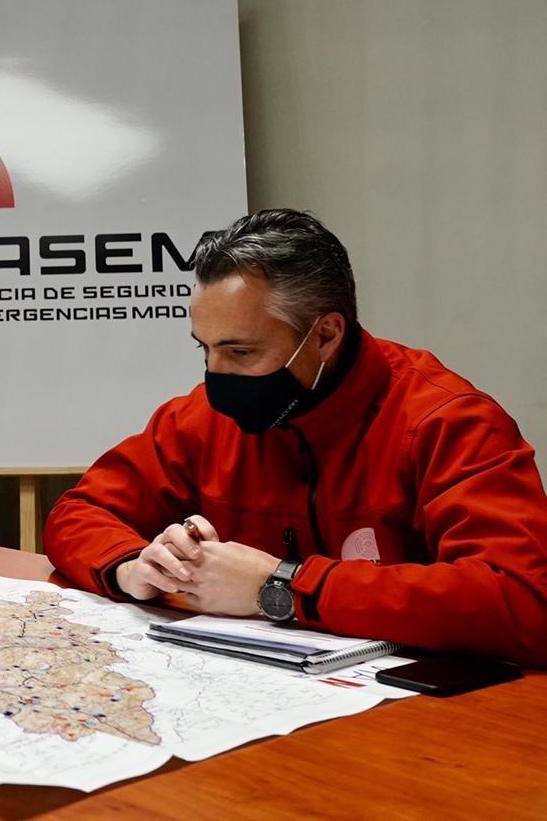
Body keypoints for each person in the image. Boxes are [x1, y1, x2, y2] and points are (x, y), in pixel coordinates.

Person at [44, 209, 547, 665]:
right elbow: (80, 512)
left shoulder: (447, 422)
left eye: (240, 352)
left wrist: (280, 586)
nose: (215, 377)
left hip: (421, 724)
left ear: (327, 334)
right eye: (206, 349)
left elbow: (522, 600)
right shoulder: (200, 418)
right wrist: (133, 568)